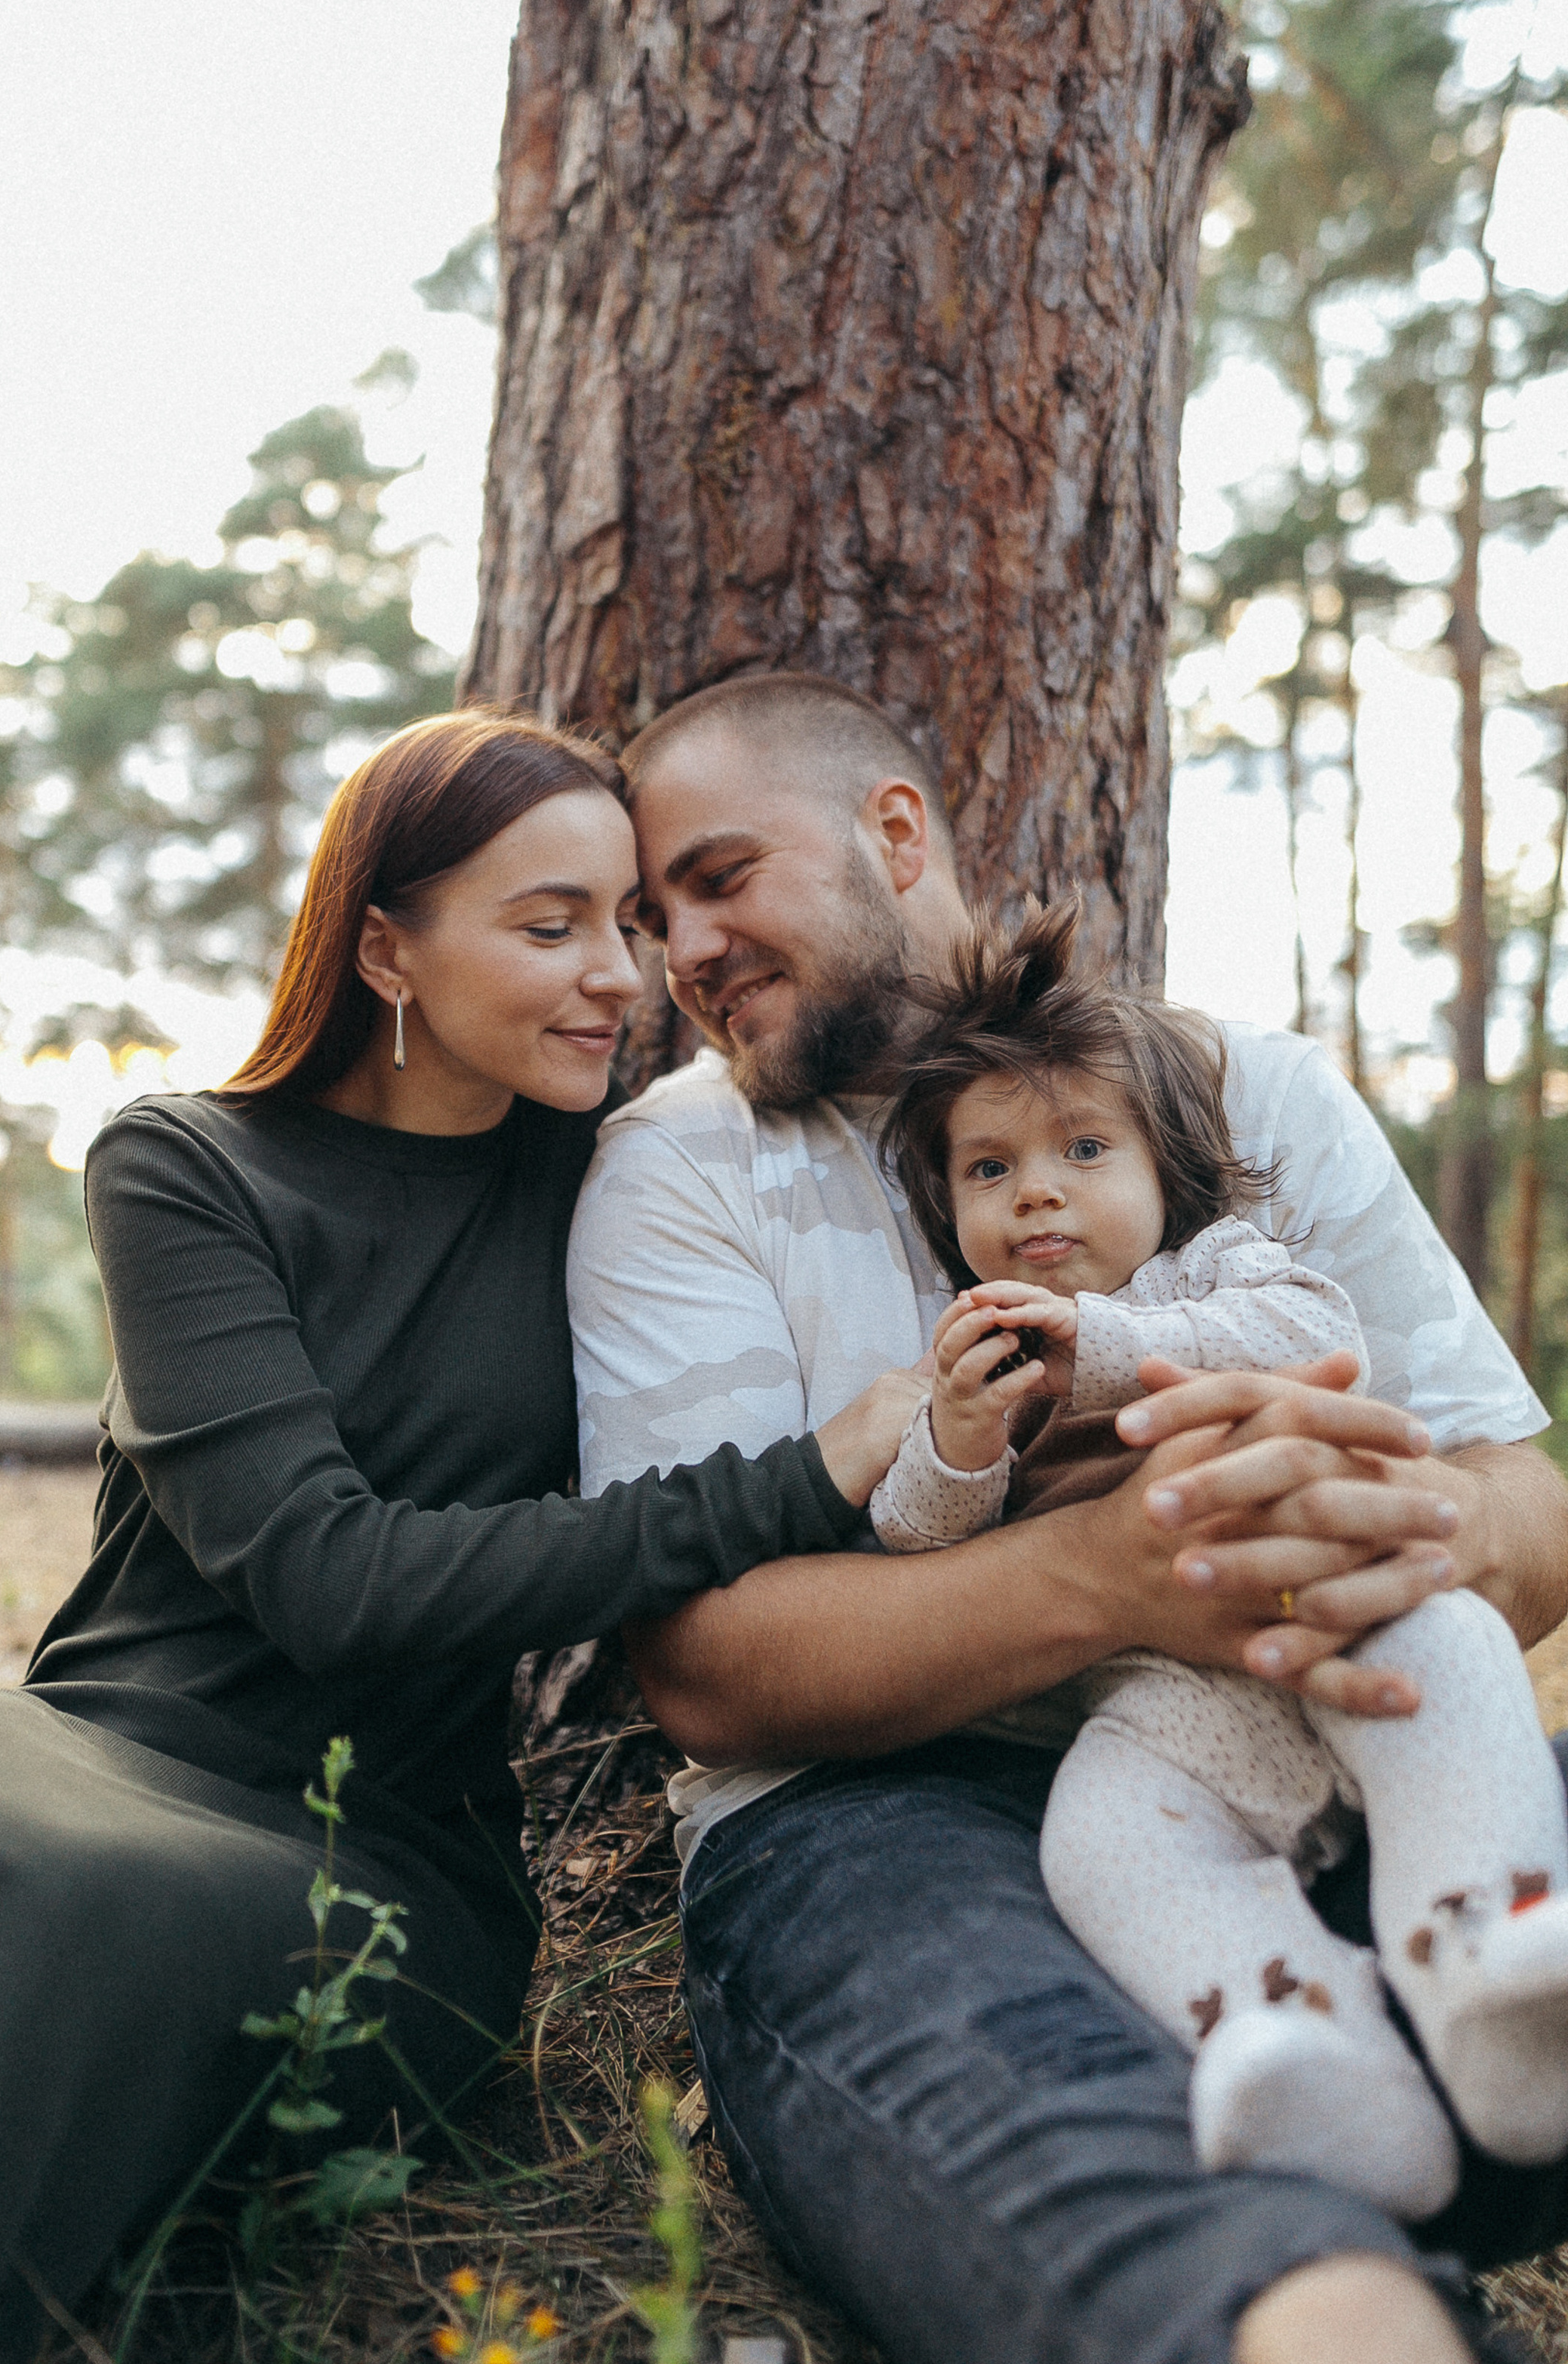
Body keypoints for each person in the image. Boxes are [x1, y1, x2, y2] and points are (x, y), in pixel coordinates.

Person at [0, 709, 921, 2364]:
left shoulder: (607, 1185)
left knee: (71, 1917)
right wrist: (797, 1477)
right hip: (86, 1743)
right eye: (548, 927)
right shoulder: (186, 1167)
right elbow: (325, 1574)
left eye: (625, 923)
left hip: (378, 1863)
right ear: (385, 941)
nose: (617, 975)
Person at [571, 669, 1568, 2364]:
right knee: (1097, 2138)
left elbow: (1521, 1508)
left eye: (717, 879)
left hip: (1304, 1717)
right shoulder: (677, 1174)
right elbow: (712, 1673)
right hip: (874, 1810)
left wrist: (1354, 1522)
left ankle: (1443, 2079)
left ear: (892, 833)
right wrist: (1113, 1570)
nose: (682, 950)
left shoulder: (1240, 1087)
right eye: (644, 916)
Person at [869, 897, 1568, 2224]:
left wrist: (1106, 1343)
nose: (1040, 1192)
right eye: (989, 1171)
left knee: (1457, 1652)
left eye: (1084, 1148)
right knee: (1102, 1845)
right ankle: (1306, 2042)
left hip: (1343, 1628)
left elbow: (1312, 1335)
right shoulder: (978, 1359)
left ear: (1164, 1167)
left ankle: (1493, 1955)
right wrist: (955, 1438)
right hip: (1161, 1709)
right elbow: (917, 1542)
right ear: (946, 1205)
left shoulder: (1223, 1267)